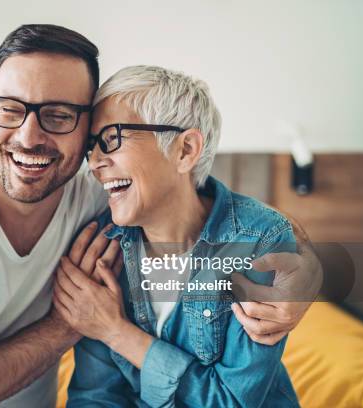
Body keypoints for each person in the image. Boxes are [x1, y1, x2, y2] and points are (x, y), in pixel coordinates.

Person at [0, 25, 320, 407]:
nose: (29, 137)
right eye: (10, 110)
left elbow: (253, 227)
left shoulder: (105, 205)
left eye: (58, 116)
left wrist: (305, 271)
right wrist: (75, 323)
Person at [55, 66, 302, 407]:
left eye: (112, 139)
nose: (95, 162)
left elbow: (230, 401)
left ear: (185, 149)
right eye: (92, 147)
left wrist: (117, 332)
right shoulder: (101, 245)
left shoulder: (258, 242)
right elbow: (96, 397)